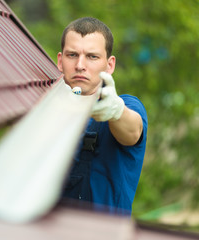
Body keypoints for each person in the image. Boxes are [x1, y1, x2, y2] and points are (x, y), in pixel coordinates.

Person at [57, 17, 148, 215]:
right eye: (72, 55)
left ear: (110, 65)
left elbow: (132, 131)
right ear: (60, 61)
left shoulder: (129, 106)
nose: (80, 65)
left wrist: (116, 112)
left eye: (92, 57)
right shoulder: (49, 107)